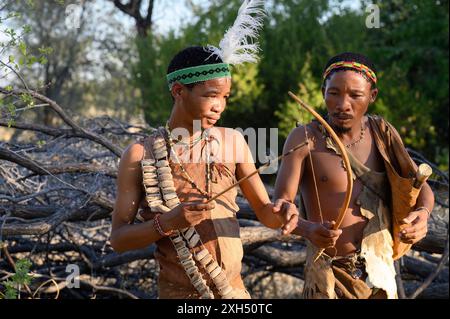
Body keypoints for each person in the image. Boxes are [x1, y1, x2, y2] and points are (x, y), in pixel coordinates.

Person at [110, 1, 298, 299]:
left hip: (234, 293)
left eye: (225, 96)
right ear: (179, 92)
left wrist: (283, 213)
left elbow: (265, 212)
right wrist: (167, 223)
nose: (219, 106)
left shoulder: (234, 141)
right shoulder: (140, 154)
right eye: (211, 95)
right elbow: (119, 239)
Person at [274, 52, 435, 299]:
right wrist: (307, 229)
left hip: (379, 272)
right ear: (322, 92)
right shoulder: (304, 138)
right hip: (327, 276)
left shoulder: (382, 134)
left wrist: (422, 215)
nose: (343, 104)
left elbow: (421, 186)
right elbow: (281, 205)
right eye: (334, 93)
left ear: (372, 96)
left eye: (355, 95)